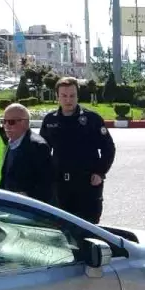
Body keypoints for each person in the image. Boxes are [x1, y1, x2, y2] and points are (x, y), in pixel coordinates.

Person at [40, 77, 116, 223]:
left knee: (89, 227)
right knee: (61, 227)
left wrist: (100, 172)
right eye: (64, 96)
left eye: (72, 95)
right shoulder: (50, 121)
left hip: (87, 185)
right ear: (57, 97)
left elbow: (108, 148)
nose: (68, 100)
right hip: (60, 186)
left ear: (77, 95)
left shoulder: (92, 119)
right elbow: (42, 152)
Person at [0, 103, 56, 204]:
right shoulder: (10, 143)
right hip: (10, 205)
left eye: (11, 122)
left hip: (29, 209)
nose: (6, 125)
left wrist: (28, 195)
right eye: (4, 121)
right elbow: (6, 178)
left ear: (25, 123)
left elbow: (47, 184)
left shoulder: (38, 146)